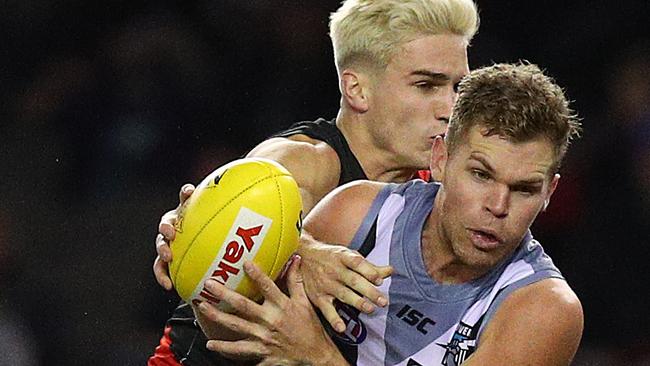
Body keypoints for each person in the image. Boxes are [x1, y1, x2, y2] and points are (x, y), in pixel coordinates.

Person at [148, 0, 479, 364]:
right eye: (426, 85)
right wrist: (306, 249)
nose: (450, 108)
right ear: (357, 90)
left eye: (457, 88)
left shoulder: (437, 194)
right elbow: (243, 201)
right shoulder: (305, 161)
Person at [194, 62, 585, 365]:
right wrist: (196, 260)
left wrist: (319, 358)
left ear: (549, 192)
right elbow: (236, 337)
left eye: (524, 189)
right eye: (481, 175)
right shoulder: (356, 214)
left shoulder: (543, 310)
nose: (498, 207)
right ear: (441, 159)